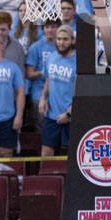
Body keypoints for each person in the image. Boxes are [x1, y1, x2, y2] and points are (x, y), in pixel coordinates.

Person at [37, 25, 76, 157]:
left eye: (65, 39)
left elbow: (81, 93)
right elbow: (48, 80)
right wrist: (42, 98)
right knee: (46, 153)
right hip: (51, 115)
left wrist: (68, 114)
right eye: (59, 39)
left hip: (71, 118)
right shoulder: (51, 57)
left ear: (73, 40)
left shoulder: (79, 62)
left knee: (73, 156)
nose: (61, 42)